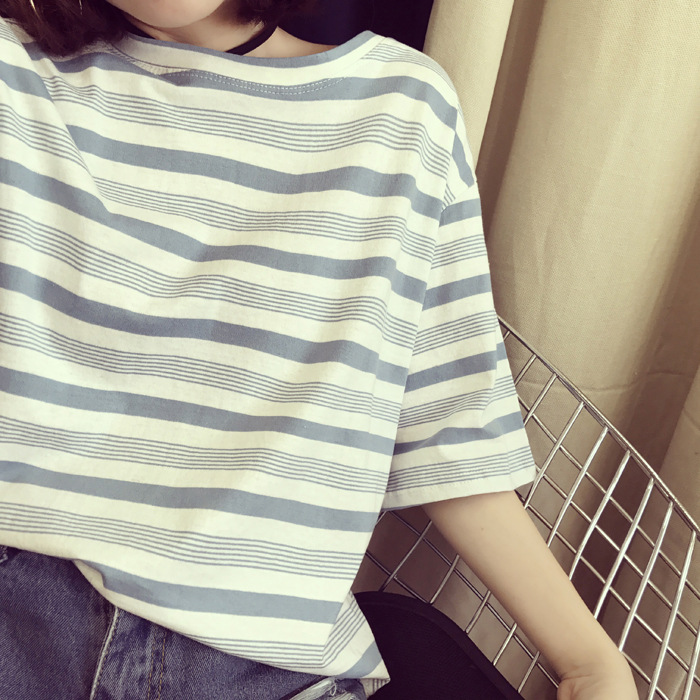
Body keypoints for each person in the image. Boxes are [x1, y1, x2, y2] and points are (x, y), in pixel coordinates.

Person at [0, 1, 638, 699]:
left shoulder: (399, 106)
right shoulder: (17, 70)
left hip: (262, 669)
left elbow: (446, 427)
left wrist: (588, 661)